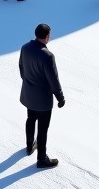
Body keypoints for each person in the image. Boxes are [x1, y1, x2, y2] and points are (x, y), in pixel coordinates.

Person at [19, 23, 65, 169]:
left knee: (30, 118)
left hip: (29, 94)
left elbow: (21, 67)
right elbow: (53, 79)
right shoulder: (47, 56)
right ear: (47, 36)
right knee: (43, 128)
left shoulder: (25, 48)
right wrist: (60, 97)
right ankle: (42, 158)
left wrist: (28, 83)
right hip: (43, 100)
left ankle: (29, 145)